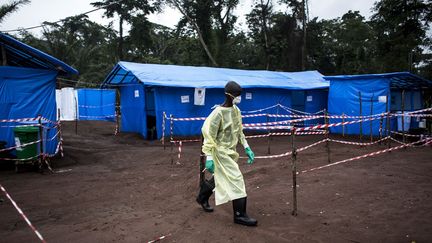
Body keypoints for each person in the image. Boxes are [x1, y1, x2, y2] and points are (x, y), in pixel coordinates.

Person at [196, 81, 257, 227]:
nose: (238, 98)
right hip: (220, 152)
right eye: (236, 95)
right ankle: (239, 215)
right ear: (228, 95)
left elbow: (239, 131)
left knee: (219, 177)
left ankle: (202, 197)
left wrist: (247, 148)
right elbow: (209, 136)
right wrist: (209, 158)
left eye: (239, 95)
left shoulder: (236, 111)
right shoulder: (217, 114)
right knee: (236, 179)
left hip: (230, 152)